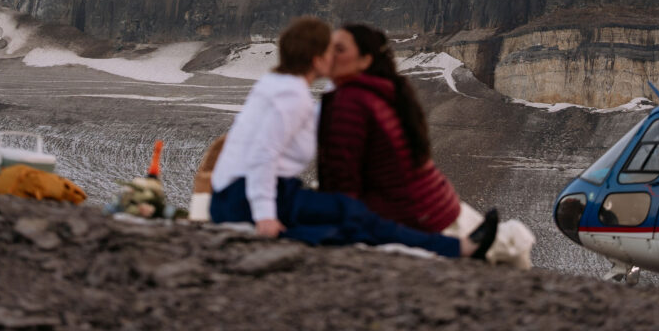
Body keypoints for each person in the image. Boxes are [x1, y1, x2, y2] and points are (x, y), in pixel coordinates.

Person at [209, 16, 497, 259]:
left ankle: (455, 247)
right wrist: (265, 216)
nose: (333, 57)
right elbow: (264, 154)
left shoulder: (279, 86)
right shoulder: (293, 96)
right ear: (317, 58)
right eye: (329, 50)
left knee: (346, 218)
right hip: (244, 198)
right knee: (353, 216)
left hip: (237, 194)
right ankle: (457, 249)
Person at [318, 24, 469, 231]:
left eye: (340, 49)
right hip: (439, 206)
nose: (330, 55)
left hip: (411, 216)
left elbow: (342, 179)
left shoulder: (350, 101)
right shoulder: (387, 90)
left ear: (365, 60)